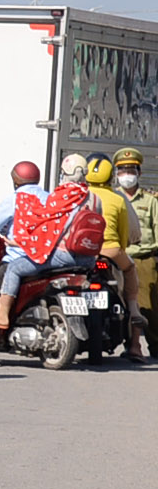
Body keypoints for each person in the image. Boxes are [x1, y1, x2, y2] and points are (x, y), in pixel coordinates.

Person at [0, 160, 86, 361]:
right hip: (45, 258)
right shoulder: (49, 198)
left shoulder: (15, 199)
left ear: (15, 180)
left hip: (18, 257)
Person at [85, 153, 148, 360]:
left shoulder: (78, 195)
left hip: (82, 253)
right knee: (130, 269)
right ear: (112, 176)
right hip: (110, 251)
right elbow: (127, 234)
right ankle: (133, 313)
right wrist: (121, 246)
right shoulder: (117, 198)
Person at [122, 148, 158, 349]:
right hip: (119, 256)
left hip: (144, 259)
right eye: (122, 171)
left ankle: (154, 345)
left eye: (131, 170)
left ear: (139, 173)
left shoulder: (150, 201)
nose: (126, 175)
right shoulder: (114, 197)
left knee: (148, 306)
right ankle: (130, 345)